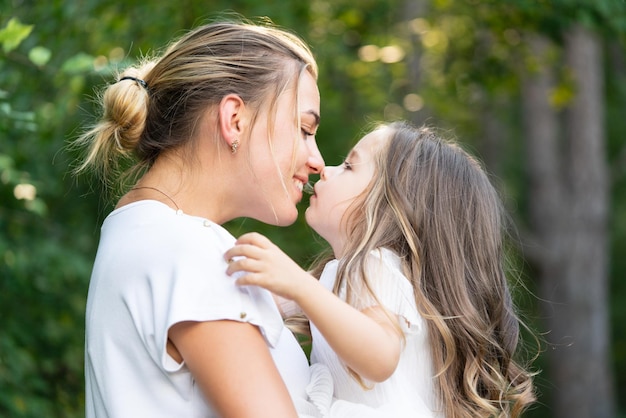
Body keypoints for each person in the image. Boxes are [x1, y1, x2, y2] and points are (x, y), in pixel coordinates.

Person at [73, 18, 326, 418]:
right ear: (235, 120)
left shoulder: (140, 231)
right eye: (304, 128)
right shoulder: (188, 250)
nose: (317, 161)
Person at [225, 121, 537, 417]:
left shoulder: (373, 265)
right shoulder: (338, 277)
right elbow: (256, 300)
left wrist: (298, 286)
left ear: (391, 204)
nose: (326, 171)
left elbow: (379, 357)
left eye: (348, 166)